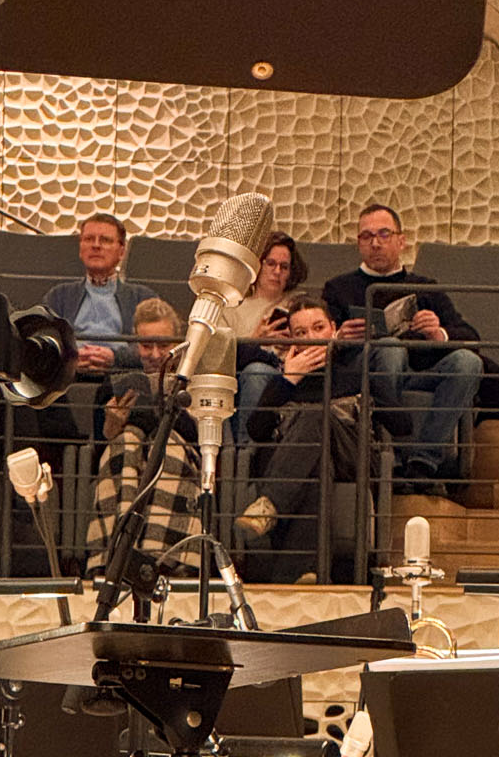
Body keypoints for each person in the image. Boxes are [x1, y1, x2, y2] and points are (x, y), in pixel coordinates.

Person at [238, 289, 407, 580]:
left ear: (334, 330)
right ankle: (304, 572)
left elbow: (404, 426)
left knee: (316, 416)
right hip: (310, 462)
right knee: (318, 462)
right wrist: (288, 380)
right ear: (292, 340)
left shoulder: (357, 374)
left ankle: (271, 502)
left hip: (352, 456)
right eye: (301, 332)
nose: (312, 336)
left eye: (318, 328)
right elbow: (256, 431)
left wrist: (375, 395)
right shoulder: (284, 381)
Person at [323, 201, 483, 488]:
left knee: (468, 362)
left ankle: (424, 460)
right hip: (363, 375)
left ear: (401, 241)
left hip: (416, 373)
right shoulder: (338, 288)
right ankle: (390, 459)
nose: (375, 243)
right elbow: (316, 341)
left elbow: (471, 336)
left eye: (384, 235)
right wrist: (338, 338)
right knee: (389, 349)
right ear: (359, 244)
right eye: (367, 236)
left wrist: (438, 333)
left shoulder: (424, 287)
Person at [84, 298, 201, 572]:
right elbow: (99, 443)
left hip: (180, 450)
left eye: (164, 345)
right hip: (128, 452)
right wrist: (113, 425)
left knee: (167, 445)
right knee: (127, 440)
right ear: (136, 345)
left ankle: (159, 557)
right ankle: (119, 553)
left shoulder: (194, 379)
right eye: (147, 345)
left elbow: (195, 433)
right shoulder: (117, 379)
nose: (155, 353)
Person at [41, 212, 157, 376]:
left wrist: (115, 358)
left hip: (123, 378)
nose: (96, 245)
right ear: (80, 248)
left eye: (105, 240)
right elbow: (43, 343)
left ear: (121, 252)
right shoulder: (58, 296)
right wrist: (71, 357)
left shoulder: (143, 298)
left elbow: (156, 350)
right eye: (89, 239)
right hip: (67, 379)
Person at [229, 230, 310, 430]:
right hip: (242, 376)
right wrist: (255, 339)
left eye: (284, 267)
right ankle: (247, 453)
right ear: (257, 265)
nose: (277, 272)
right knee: (255, 373)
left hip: (287, 372)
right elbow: (223, 357)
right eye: (270, 264)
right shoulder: (232, 308)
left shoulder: (299, 304)